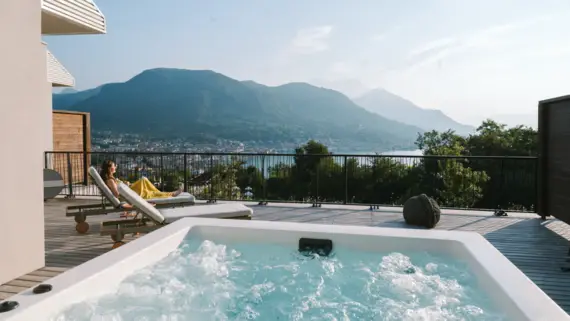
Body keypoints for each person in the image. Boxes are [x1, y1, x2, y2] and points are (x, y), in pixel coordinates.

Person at [99, 160, 183, 200]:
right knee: (144, 181)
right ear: (110, 168)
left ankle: (171, 194)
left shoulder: (111, 178)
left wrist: (125, 184)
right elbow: (117, 194)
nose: (116, 166)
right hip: (128, 193)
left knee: (150, 192)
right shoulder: (110, 180)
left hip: (129, 190)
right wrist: (126, 186)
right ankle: (171, 194)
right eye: (114, 165)